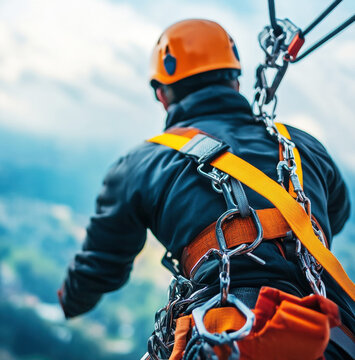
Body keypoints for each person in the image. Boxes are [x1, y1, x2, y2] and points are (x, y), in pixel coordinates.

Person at [58, 19, 354, 358]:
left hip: (227, 335)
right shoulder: (302, 145)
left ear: (161, 95)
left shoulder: (141, 164)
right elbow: (336, 215)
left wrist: (67, 301)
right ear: (237, 82)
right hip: (330, 333)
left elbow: (99, 268)